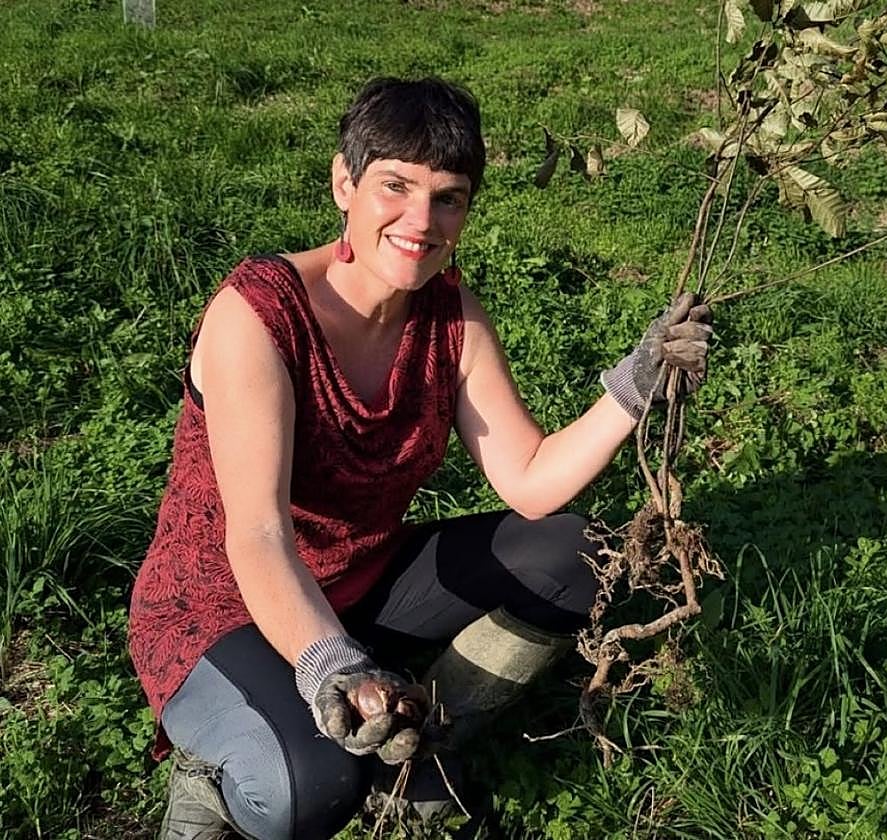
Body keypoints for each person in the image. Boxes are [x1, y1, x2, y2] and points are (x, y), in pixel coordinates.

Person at [128, 76, 712, 840]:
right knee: (312, 790)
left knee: (579, 555)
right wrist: (334, 665)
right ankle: (214, 778)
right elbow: (260, 537)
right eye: (395, 187)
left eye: (448, 198)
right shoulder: (259, 316)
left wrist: (636, 385)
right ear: (344, 183)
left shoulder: (449, 318)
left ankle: (414, 740)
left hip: (363, 584)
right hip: (222, 605)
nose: (421, 221)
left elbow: (530, 481)